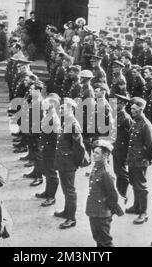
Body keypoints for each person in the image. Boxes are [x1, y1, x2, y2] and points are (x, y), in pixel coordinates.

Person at [54, 98, 86, 230]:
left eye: (63, 108)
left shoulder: (73, 125)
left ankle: (71, 218)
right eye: (60, 108)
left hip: (68, 163)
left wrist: (76, 163)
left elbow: (79, 147)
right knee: (66, 188)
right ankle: (67, 211)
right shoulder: (67, 122)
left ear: (71, 109)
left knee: (70, 190)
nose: (60, 110)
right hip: (63, 161)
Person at [86, 140, 124, 247]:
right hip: (94, 209)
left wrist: (108, 213)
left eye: (97, 153)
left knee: (105, 241)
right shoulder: (97, 167)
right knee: (98, 238)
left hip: (101, 213)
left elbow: (112, 195)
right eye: (94, 152)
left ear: (105, 155)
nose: (94, 154)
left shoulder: (106, 172)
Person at [126, 97, 152, 225]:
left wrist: (146, 159)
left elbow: (150, 145)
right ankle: (136, 206)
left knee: (141, 186)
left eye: (134, 109)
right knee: (134, 182)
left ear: (141, 109)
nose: (131, 111)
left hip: (140, 159)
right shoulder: (136, 121)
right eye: (131, 108)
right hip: (133, 158)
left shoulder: (145, 124)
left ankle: (144, 213)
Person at [36, 94, 61, 207]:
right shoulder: (48, 115)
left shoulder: (53, 118)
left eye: (46, 103)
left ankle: (52, 196)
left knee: (51, 172)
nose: (43, 104)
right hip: (46, 147)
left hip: (51, 148)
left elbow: (55, 137)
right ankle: (47, 191)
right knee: (46, 170)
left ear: (52, 105)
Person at [113, 94, 134, 202]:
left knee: (121, 172)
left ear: (123, 104)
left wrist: (127, 152)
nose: (115, 105)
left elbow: (129, 137)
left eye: (117, 103)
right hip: (116, 147)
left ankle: (123, 193)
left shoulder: (126, 118)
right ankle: (119, 191)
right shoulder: (117, 115)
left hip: (122, 149)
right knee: (117, 171)